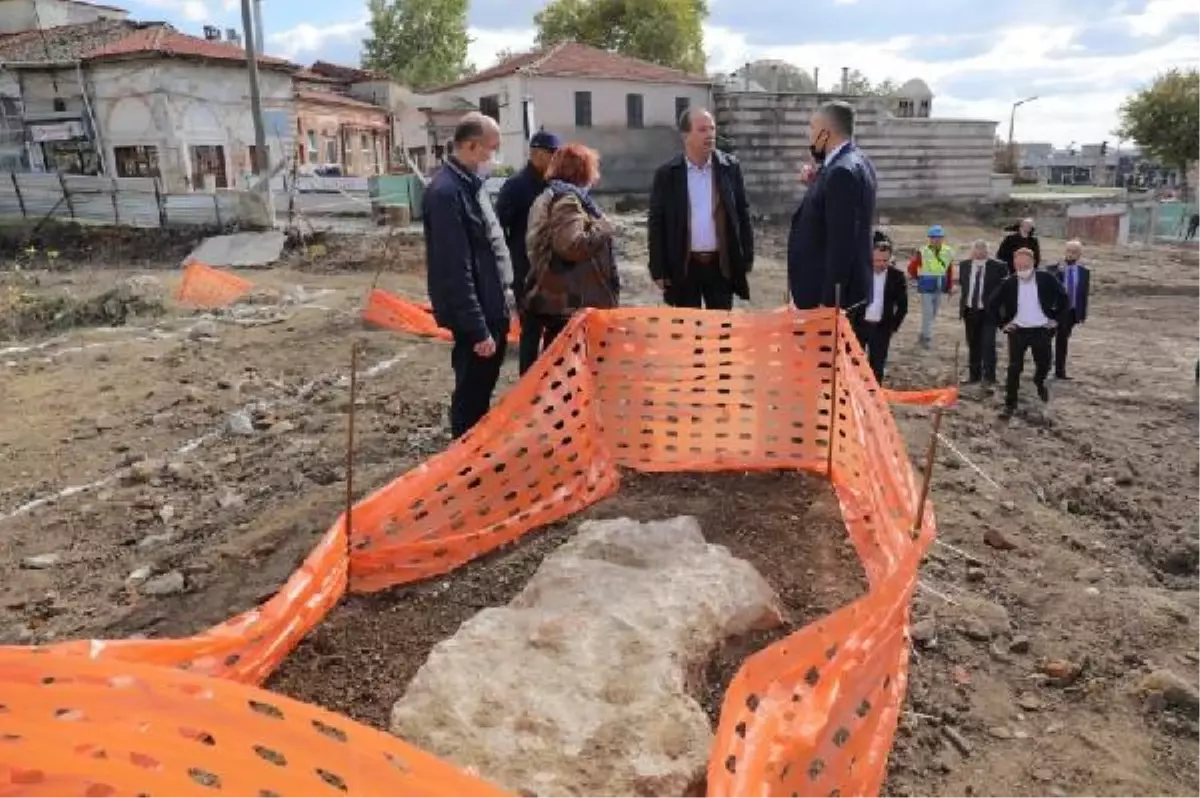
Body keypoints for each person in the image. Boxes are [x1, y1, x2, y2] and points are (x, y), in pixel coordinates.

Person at [423, 112, 511, 439]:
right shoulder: (447, 193)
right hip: (476, 316)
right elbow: (454, 269)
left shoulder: (470, 185)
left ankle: (476, 453)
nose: (494, 157)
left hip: (490, 305)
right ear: (472, 146)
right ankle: (467, 463)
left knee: (481, 391)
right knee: (471, 395)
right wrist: (477, 328)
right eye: (492, 148)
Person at [648, 108, 754, 310]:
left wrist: (746, 257)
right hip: (685, 265)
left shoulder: (729, 168)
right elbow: (657, 223)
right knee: (688, 333)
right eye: (702, 130)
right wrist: (658, 269)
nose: (710, 135)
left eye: (712, 129)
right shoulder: (668, 174)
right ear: (686, 135)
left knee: (720, 330)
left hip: (720, 265)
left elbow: (742, 213)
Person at [524, 143, 620, 347]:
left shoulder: (552, 195)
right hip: (569, 304)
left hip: (563, 301)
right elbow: (571, 246)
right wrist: (602, 228)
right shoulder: (567, 200)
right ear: (582, 171)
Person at [787, 101, 878, 310]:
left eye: (812, 128)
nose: (809, 135)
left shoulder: (841, 172)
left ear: (825, 133)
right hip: (845, 292)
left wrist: (828, 303)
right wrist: (816, 182)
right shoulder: (857, 161)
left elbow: (841, 244)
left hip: (830, 299)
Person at [495, 130, 562, 374]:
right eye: (552, 154)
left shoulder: (557, 185)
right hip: (525, 270)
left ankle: (548, 381)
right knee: (531, 330)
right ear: (536, 154)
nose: (556, 159)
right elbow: (498, 227)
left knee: (556, 329)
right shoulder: (515, 186)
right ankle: (527, 384)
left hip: (554, 271)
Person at [987, 247, 1068, 419]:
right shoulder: (1009, 282)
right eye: (1018, 265)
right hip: (1018, 331)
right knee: (1014, 368)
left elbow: (1064, 298)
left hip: (1041, 330)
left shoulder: (1046, 278)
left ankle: (1039, 381)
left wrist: (1055, 319)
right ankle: (1010, 404)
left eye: (1025, 265)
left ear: (1033, 263)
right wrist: (1003, 324)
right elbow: (992, 304)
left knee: (1045, 363)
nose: (1021, 268)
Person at [850, 239, 907, 382]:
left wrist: (893, 327)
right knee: (854, 363)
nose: (880, 264)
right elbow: (849, 298)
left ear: (890, 258)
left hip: (882, 328)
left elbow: (903, 306)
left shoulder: (897, 277)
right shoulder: (860, 273)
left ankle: (874, 398)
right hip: (859, 326)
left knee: (877, 366)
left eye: (884, 261)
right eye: (876, 260)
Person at [958, 239, 1008, 384]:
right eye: (976, 249)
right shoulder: (964, 265)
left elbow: (1005, 290)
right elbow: (964, 286)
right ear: (972, 251)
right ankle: (974, 376)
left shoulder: (999, 266)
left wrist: (1003, 312)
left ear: (988, 251)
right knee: (973, 344)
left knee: (988, 344)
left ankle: (989, 377)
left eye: (982, 249)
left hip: (989, 312)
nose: (979, 252)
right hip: (970, 311)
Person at [1045, 239, 1091, 380]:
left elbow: (1083, 294)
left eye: (1075, 252)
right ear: (1065, 252)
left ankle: (1060, 372)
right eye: (1069, 251)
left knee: (1062, 342)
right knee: (1045, 340)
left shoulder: (1084, 272)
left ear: (1079, 255)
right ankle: (1044, 367)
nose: (1071, 254)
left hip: (1070, 312)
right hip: (1053, 312)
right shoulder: (1053, 268)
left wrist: (1081, 314)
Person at [906, 225, 955, 349]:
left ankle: (923, 334)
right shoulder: (923, 251)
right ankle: (926, 338)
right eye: (934, 237)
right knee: (927, 313)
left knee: (933, 313)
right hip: (926, 287)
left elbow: (949, 270)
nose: (936, 240)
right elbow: (912, 268)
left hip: (939, 286)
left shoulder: (948, 251)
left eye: (939, 237)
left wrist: (949, 286)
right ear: (930, 238)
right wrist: (920, 278)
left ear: (943, 238)